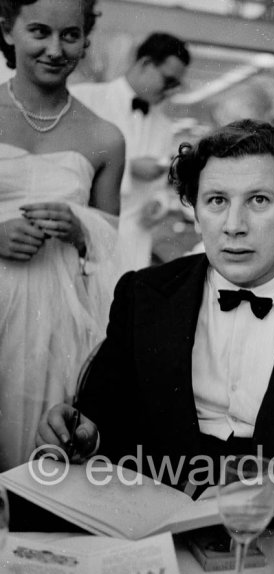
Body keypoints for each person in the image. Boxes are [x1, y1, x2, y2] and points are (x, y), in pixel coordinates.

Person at [38, 119, 274, 537]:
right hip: (153, 522)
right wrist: (86, 433)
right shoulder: (144, 297)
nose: (234, 224)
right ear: (195, 214)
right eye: (216, 201)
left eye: (258, 200)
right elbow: (102, 418)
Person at [0, 0, 125, 471]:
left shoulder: (105, 136)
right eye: (39, 32)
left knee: (37, 443)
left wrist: (80, 227)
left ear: (85, 40)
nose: (55, 49)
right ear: (8, 30)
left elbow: (110, 237)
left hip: (55, 315)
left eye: (70, 35)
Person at [71, 32, 190, 272]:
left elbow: (159, 189)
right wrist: (128, 167)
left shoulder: (164, 126)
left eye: (175, 85)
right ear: (145, 63)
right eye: (167, 80)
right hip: (89, 236)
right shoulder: (85, 98)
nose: (169, 91)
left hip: (135, 244)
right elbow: (69, 164)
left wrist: (158, 204)